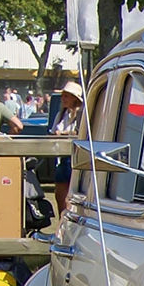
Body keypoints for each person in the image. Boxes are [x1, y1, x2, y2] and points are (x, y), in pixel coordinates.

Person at [48, 80, 83, 214]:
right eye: (63, 96)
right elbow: (52, 132)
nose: (63, 99)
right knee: (60, 196)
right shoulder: (61, 114)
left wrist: (62, 133)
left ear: (75, 98)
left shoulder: (81, 114)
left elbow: (81, 133)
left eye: (66, 96)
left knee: (72, 197)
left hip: (75, 159)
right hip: (62, 158)